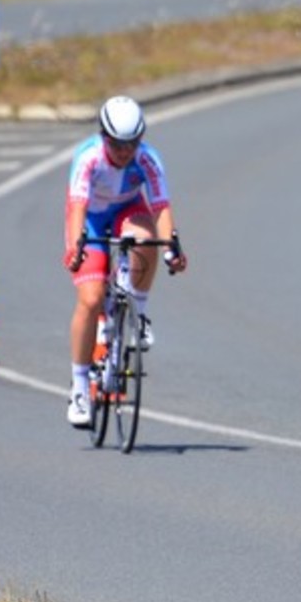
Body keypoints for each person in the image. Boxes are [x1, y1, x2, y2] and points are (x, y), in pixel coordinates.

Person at [63, 95, 187, 427]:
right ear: (104, 136)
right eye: (117, 144)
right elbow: (77, 207)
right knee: (90, 299)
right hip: (91, 218)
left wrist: (172, 249)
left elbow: (160, 207)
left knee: (147, 240)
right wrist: (76, 247)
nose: (124, 151)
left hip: (128, 211)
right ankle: (79, 389)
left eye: (132, 143)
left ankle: (138, 314)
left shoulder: (148, 159)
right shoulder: (88, 157)